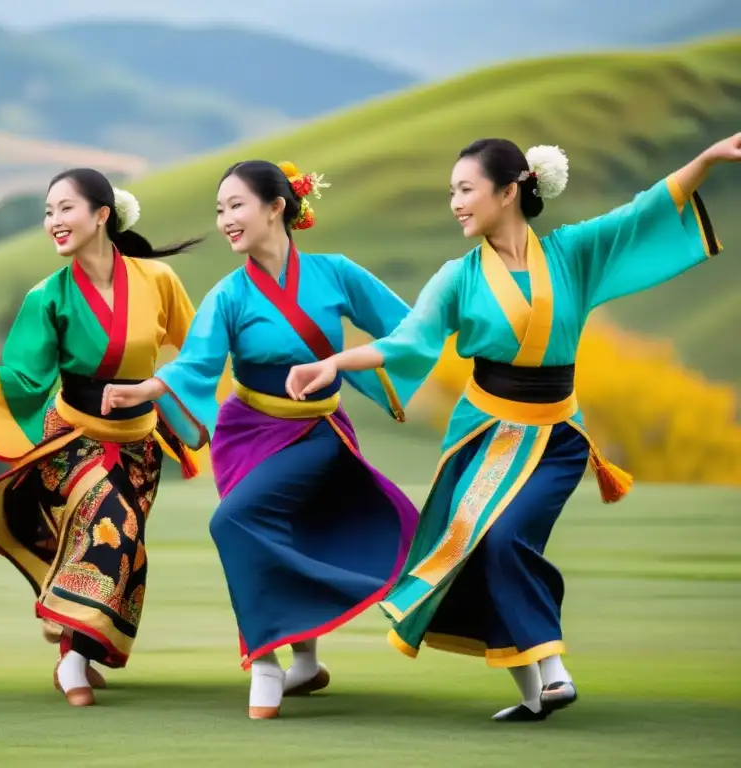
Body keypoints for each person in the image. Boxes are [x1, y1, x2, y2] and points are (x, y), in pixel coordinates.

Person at [285, 133, 738, 721]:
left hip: (555, 436)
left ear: (508, 192)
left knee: (504, 539)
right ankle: (535, 693)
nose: (456, 203)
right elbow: (409, 341)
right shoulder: (458, 276)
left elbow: (642, 213)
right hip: (484, 433)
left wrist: (703, 160)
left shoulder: (572, 253)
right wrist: (333, 363)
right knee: (477, 550)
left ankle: (552, 670)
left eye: (466, 190)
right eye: (452, 191)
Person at [99, 160, 421, 720]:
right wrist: (145, 389)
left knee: (234, 522)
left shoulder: (336, 274)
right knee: (276, 535)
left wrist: (350, 365)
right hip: (245, 432)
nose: (225, 219)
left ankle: (265, 661)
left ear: (277, 207)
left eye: (236, 205)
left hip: (317, 430)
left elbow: (412, 328)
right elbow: (197, 362)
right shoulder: (229, 294)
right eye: (220, 209)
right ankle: (304, 663)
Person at [0, 168, 204, 707]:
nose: (52, 222)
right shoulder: (48, 296)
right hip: (72, 439)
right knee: (113, 526)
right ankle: (75, 664)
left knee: (120, 547)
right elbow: (28, 375)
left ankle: (72, 647)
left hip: (142, 443)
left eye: (65, 209)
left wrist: (168, 390)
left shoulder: (158, 281)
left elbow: (198, 353)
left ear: (102, 215)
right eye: (48, 212)